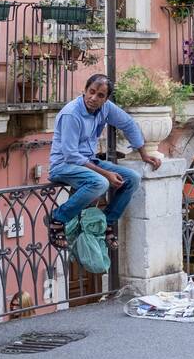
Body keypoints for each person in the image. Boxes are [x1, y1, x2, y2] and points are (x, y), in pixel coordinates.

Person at [47, 73, 162, 251]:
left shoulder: (106, 108)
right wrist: (106, 173)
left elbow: (129, 124)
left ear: (106, 98)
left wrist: (144, 154)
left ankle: (106, 222)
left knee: (132, 178)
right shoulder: (71, 113)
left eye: (100, 95)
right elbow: (71, 155)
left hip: (88, 161)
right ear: (84, 90)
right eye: (91, 92)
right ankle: (57, 219)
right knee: (100, 182)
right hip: (64, 165)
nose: (93, 98)